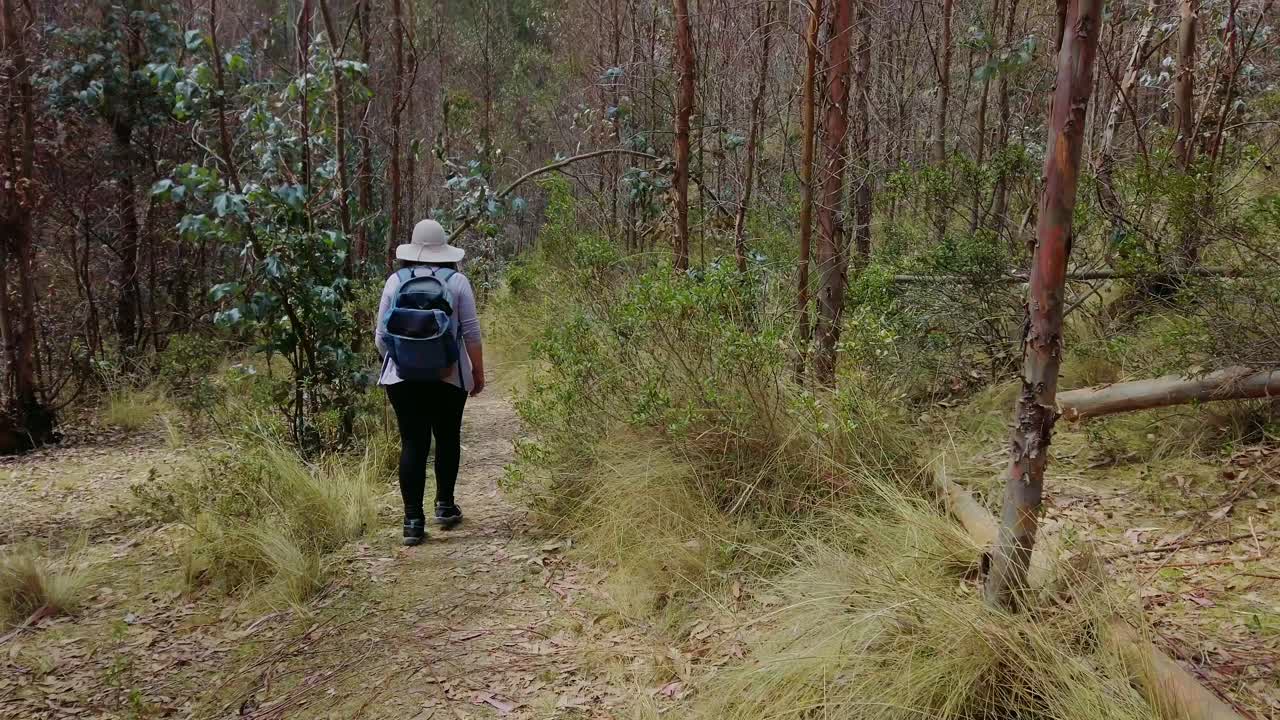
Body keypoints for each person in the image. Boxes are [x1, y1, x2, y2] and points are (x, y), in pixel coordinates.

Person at [375, 219, 485, 546]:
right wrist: (477, 374)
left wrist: (402, 358)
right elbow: (472, 334)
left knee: (413, 443)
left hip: (402, 377)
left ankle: (412, 521)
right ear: (445, 251)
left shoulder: (395, 280)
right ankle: (445, 506)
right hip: (448, 376)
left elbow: (381, 337)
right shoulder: (459, 281)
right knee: (447, 437)